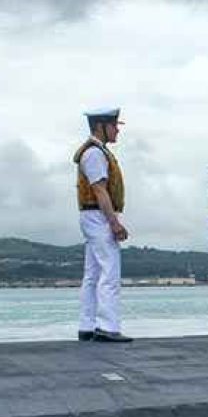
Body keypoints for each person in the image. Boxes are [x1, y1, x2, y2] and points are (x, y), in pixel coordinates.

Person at [73, 108, 132, 342]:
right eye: (114, 125)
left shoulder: (96, 152)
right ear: (101, 126)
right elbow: (99, 189)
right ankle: (107, 326)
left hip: (93, 216)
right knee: (110, 271)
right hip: (98, 216)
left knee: (93, 273)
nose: (117, 130)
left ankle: (87, 325)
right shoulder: (95, 154)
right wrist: (114, 222)